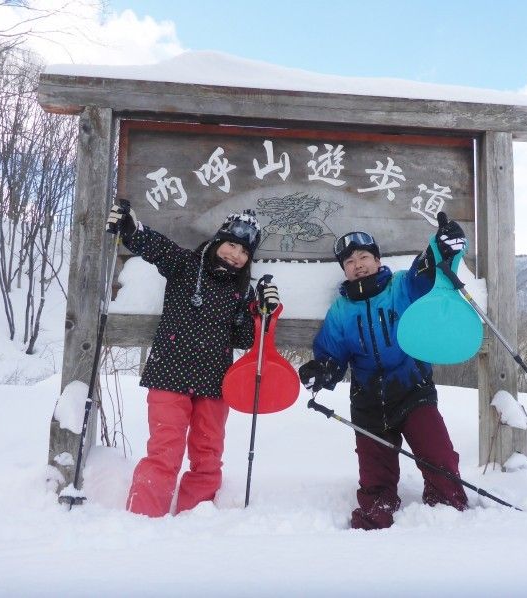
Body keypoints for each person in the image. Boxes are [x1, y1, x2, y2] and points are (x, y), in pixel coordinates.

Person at [106, 201, 280, 517]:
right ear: (218, 241)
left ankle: (195, 519)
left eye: (244, 253)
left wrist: (263, 311)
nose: (236, 255)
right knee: (164, 451)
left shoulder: (241, 292)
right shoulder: (185, 265)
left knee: (208, 454)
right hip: (169, 373)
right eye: (232, 245)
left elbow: (245, 339)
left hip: (214, 382)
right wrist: (132, 230)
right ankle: (143, 518)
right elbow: (156, 248)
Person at [298, 214, 469, 530]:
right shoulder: (340, 310)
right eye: (349, 261)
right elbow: (333, 352)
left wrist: (440, 247)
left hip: (412, 390)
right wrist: (323, 370)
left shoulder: (400, 286)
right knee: (375, 483)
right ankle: (378, 515)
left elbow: (425, 272)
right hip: (368, 404)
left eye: (364, 257)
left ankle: (447, 509)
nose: (357, 264)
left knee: (439, 458)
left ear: (377, 260)